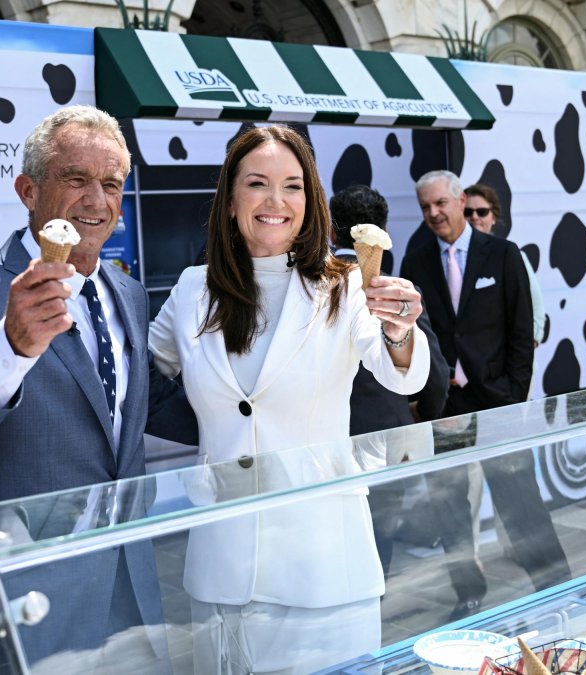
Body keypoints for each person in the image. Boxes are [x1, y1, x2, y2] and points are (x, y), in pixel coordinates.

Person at [0, 105, 197, 673]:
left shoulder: (126, 291)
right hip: (26, 597)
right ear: (27, 189)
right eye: (76, 179)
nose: (97, 201)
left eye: (112, 185)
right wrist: (10, 347)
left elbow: (143, 411)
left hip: (130, 585)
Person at [149, 126, 432, 674]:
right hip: (222, 572)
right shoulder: (191, 291)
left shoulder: (345, 285)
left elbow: (401, 376)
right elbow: (143, 377)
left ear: (312, 201)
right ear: (231, 202)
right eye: (257, 183)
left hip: (324, 565)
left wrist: (400, 331)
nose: (276, 201)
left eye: (293, 186)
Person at [400, 169, 570, 620]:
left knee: (520, 501)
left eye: (440, 203)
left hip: (498, 402)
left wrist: (514, 394)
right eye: (425, 207)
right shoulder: (415, 261)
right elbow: (412, 333)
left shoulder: (503, 255)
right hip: (444, 406)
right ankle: (468, 594)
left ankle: (555, 587)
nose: (434, 213)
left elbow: (521, 331)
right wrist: (424, 398)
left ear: (459, 201)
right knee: (450, 506)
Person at [330, 183, 450, 573]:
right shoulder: (399, 294)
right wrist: (422, 413)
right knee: (376, 549)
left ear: (332, 231)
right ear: (382, 230)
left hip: (325, 442)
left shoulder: (313, 287)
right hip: (388, 440)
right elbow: (436, 373)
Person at [465, 183, 546, 348]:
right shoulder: (451, 259)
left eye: (482, 212)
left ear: (493, 217)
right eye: (467, 212)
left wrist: (526, 348)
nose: (474, 217)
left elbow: (536, 309)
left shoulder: (511, 255)